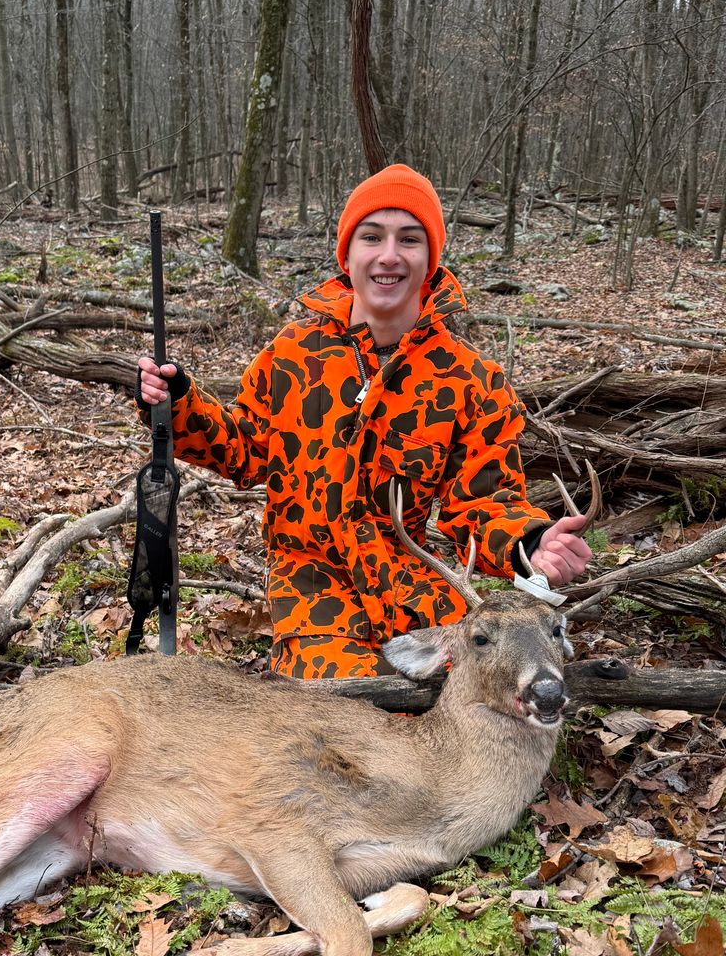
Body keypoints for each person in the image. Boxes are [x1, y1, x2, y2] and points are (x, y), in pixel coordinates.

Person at [138, 163, 591, 678]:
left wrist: (529, 543)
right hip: (312, 585)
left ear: (431, 258)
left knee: (482, 690)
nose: (389, 256)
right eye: (372, 237)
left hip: (412, 586)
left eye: (410, 239)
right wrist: (178, 405)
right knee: (351, 713)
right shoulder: (294, 355)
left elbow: (484, 504)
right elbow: (244, 450)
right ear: (348, 255)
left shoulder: (472, 381)